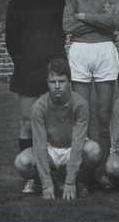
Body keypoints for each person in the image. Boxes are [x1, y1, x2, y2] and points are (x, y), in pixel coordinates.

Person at [5, 0, 66, 175]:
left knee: (55, 123)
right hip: (27, 72)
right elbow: (10, 39)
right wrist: (24, 64)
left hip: (54, 72)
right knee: (28, 123)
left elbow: (62, 35)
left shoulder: (58, 1)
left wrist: (58, 67)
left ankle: (55, 171)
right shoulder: (17, 2)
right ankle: (30, 175)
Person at [13, 57, 101, 200]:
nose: (57, 86)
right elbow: (39, 145)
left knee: (94, 151)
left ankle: (80, 181)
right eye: (53, 82)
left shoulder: (81, 104)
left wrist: (70, 181)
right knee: (21, 162)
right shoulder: (38, 107)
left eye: (62, 81)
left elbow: (78, 142)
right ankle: (47, 181)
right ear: (47, 84)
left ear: (69, 83)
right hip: (50, 149)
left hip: (72, 147)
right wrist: (47, 184)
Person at [63, 0, 119, 160]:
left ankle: (105, 164)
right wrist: (101, 21)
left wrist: (84, 17)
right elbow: (68, 26)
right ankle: (84, 169)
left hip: (105, 49)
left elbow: (114, 22)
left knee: (104, 114)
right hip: (80, 50)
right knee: (81, 114)